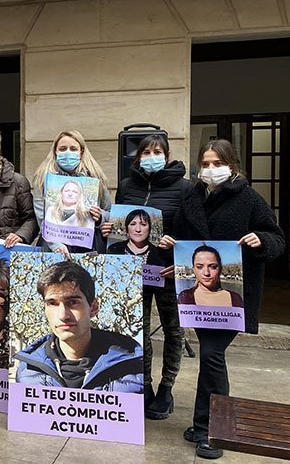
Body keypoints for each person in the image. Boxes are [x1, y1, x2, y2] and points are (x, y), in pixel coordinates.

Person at [172, 138, 284, 460]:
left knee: (211, 355)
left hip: (233, 298)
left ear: (232, 166)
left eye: (217, 164)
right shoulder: (192, 197)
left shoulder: (249, 199)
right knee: (209, 356)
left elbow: (276, 237)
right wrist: (173, 259)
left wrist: (260, 239)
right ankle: (201, 423)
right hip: (198, 298)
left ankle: (215, 431)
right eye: (205, 164)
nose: (211, 169)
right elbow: (182, 240)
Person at [106, 134, 189, 420]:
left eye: (158, 151)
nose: (152, 156)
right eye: (146, 152)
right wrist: (110, 229)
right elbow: (120, 224)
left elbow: (191, 229)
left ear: (166, 155)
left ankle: (167, 387)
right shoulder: (128, 186)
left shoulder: (184, 187)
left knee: (172, 329)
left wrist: (175, 244)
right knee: (138, 330)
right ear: (138, 156)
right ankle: (145, 384)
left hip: (168, 270)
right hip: (134, 271)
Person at [14, 260, 144, 393]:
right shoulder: (27, 371)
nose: (63, 315)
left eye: (73, 302)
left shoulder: (135, 369)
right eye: (52, 304)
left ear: (93, 308)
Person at [32, 131, 111, 254]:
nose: (68, 152)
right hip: (53, 248)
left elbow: (108, 213)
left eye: (73, 149)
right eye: (63, 149)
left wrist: (100, 217)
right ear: (55, 152)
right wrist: (56, 245)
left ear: (81, 152)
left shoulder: (96, 178)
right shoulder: (42, 179)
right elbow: (41, 219)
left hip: (88, 247)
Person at [178, 245, 243, 308]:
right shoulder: (184, 297)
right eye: (200, 267)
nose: (206, 273)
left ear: (220, 269)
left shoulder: (236, 299)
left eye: (213, 267)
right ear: (194, 270)